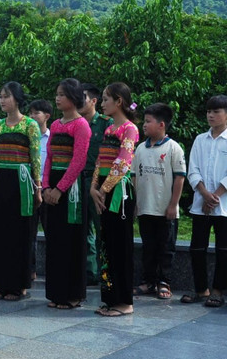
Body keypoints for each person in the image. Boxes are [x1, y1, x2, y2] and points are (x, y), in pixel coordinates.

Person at [181, 95, 227, 308]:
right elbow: (193, 170)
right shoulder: (200, 139)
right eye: (209, 111)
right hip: (202, 203)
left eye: (216, 111)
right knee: (197, 248)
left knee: (224, 249)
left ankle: (218, 290)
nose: (211, 115)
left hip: (225, 205)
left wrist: (215, 195)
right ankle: (201, 289)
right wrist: (204, 194)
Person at [0, 81, 42, 301]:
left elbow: (36, 158)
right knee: (0, 234)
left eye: (6, 96)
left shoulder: (30, 125)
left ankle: (19, 285)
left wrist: (37, 188)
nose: (2, 100)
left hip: (22, 181)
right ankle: (2, 283)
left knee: (20, 233)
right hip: (2, 180)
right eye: (0, 96)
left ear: (17, 99)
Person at [90, 82, 139, 317]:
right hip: (104, 191)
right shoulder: (110, 129)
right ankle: (110, 299)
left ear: (118, 101)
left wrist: (103, 190)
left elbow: (122, 163)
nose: (102, 103)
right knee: (106, 245)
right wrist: (93, 188)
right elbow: (101, 161)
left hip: (119, 194)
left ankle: (125, 302)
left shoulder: (130, 129)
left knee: (121, 246)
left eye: (106, 98)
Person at [41, 79, 91, 309]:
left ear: (73, 97)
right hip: (52, 188)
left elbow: (78, 161)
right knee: (56, 241)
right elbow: (49, 158)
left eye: (62, 94)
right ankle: (56, 293)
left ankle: (72, 294)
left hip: (71, 192)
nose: (57, 98)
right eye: (57, 94)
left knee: (72, 241)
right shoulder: (57, 125)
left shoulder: (81, 125)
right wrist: (46, 186)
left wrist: (60, 189)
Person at [132, 103, 186, 300]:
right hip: (146, 207)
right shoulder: (140, 148)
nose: (144, 125)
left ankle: (164, 282)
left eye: (148, 121)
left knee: (165, 248)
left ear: (161, 124)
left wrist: (173, 204)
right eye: (144, 121)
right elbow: (134, 176)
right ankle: (147, 281)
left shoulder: (173, 148)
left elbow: (180, 178)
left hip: (165, 209)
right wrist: (136, 202)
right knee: (148, 247)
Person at [79, 83, 112, 284]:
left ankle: (105, 273)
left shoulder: (105, 124)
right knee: (82, 229)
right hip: (78, 180)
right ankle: (88, 272)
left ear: (93, 101)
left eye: (81, 97)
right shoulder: (75, 123)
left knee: (102, 230)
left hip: (99, 181)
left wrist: (104, 185)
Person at [27, 98, 52, 278]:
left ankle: (53, 269)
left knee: (51, 231)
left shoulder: (53, 139)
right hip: (29, 189)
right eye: (30, 113)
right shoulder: (26, 138)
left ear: (47, 116)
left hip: (47, 190)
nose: (32, 116)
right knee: (29, 232)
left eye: (36, 113)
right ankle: (30, 269)